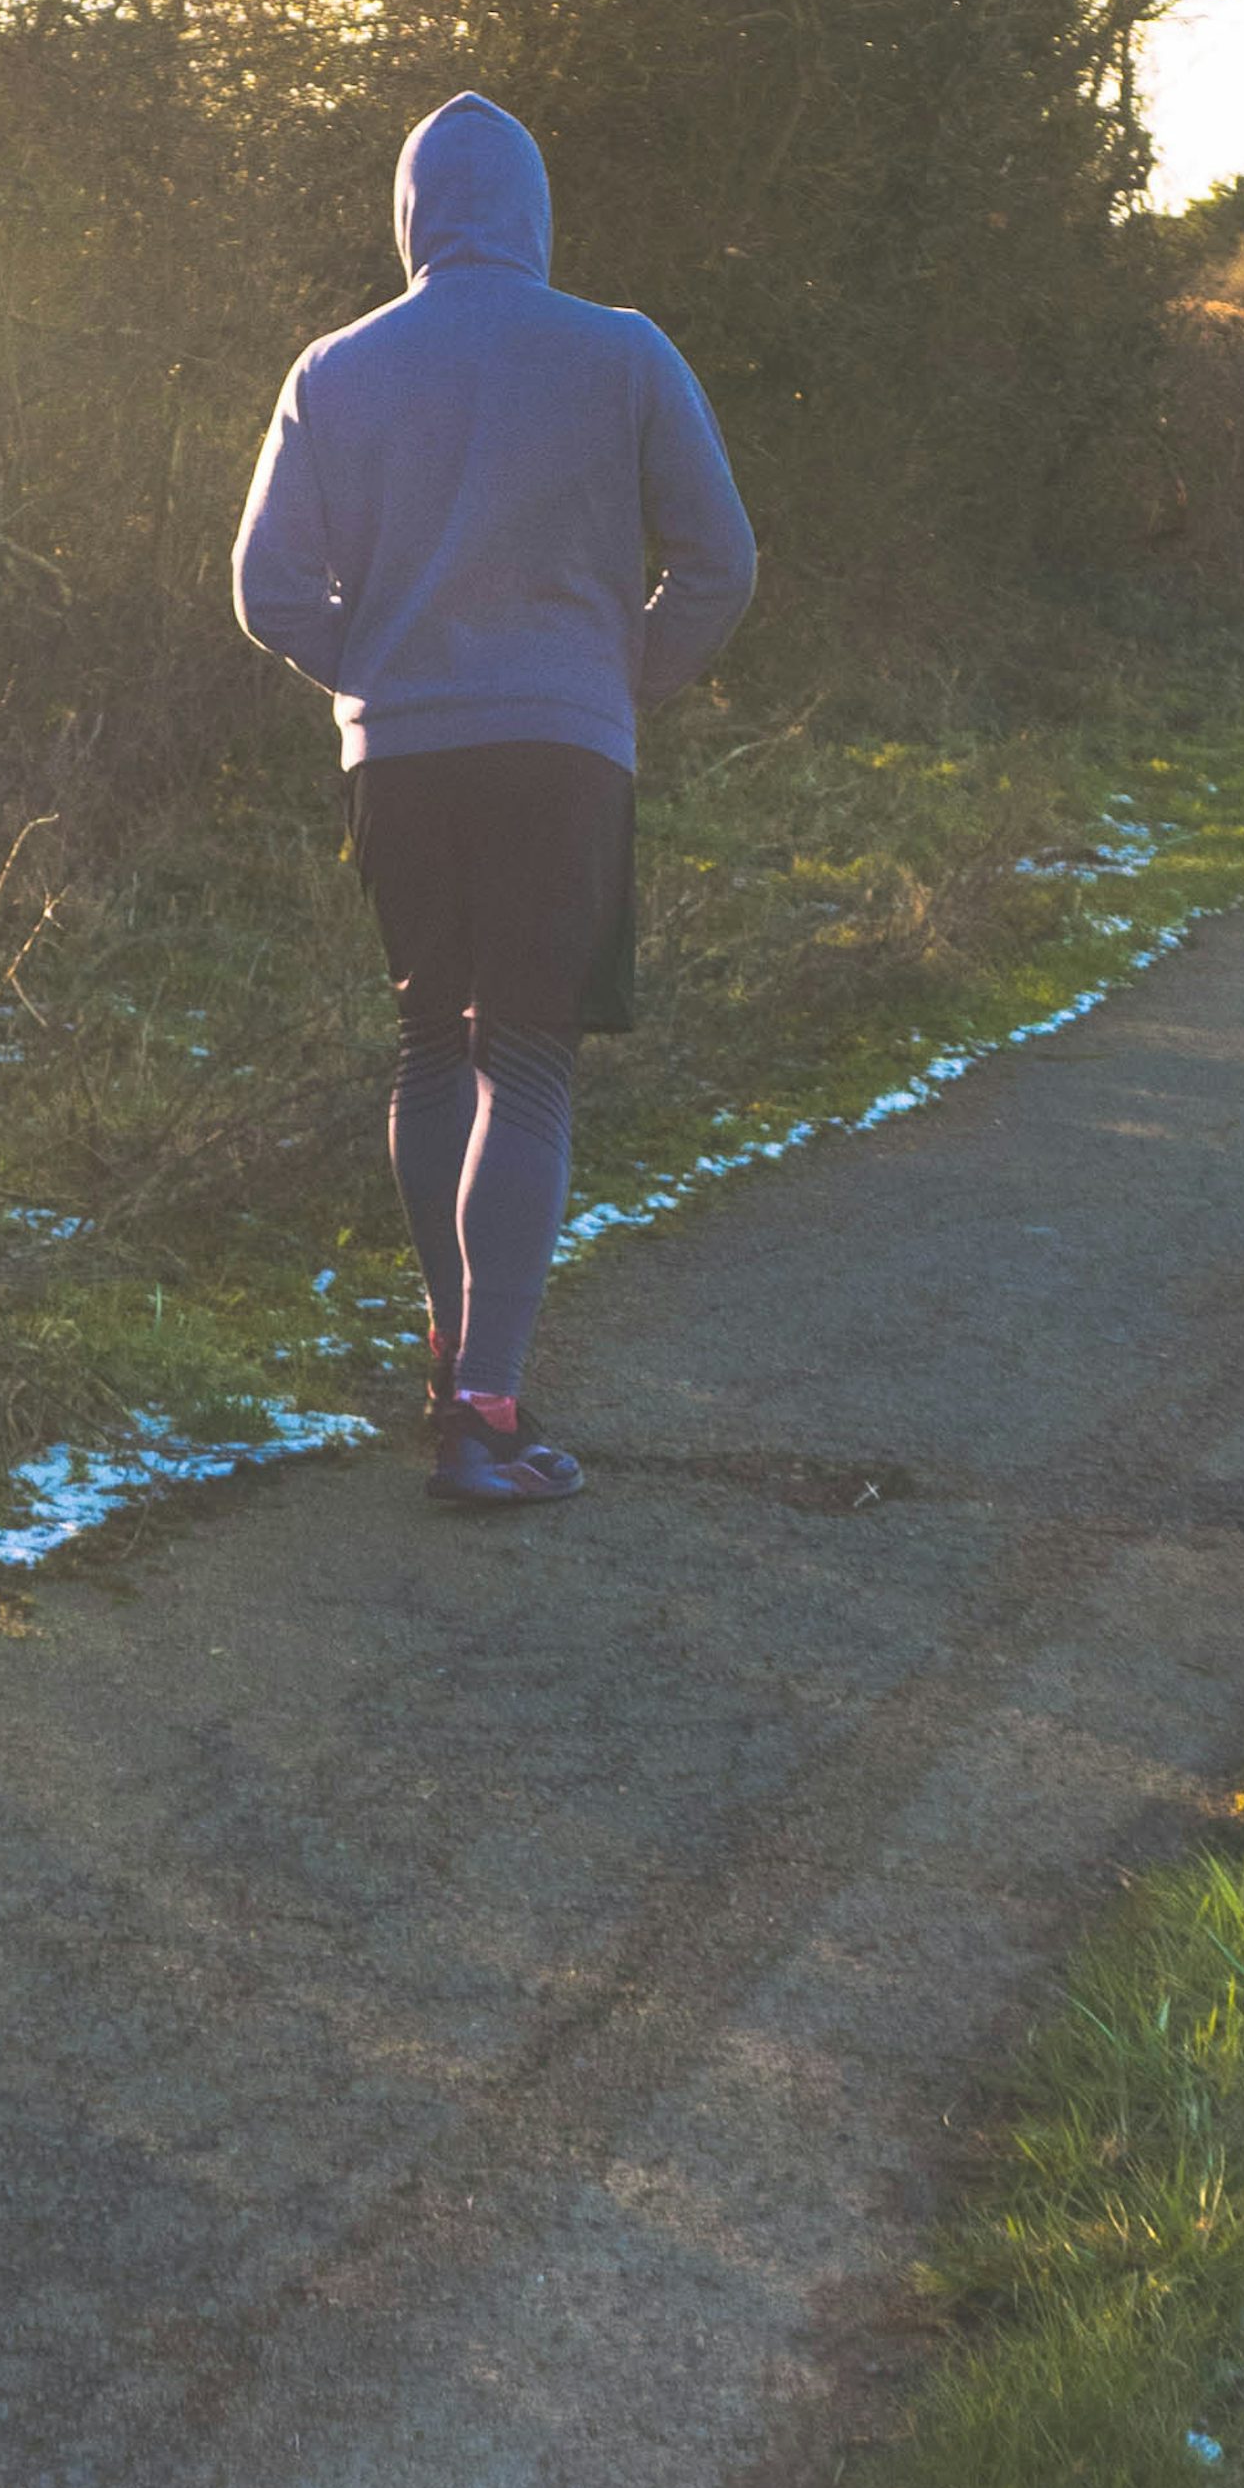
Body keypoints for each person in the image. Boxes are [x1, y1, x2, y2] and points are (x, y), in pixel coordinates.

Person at [232, 92, 756, 1508]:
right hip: (560, 751)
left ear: (408, 214)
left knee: (428, 1049)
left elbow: (266, 588)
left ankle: (454, 1362)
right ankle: (484, 1411)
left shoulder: (336, 368)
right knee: (524, 1060)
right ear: (533, 209)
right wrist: (615, 678)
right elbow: (721, 561)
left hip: (397, 756)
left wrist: (387, 671)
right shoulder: (621, 352)